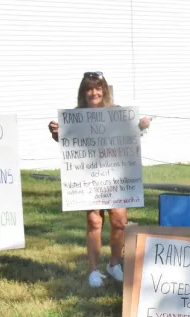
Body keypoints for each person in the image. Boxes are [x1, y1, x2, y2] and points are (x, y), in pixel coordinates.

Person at [47, 71, 151, 287]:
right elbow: (67, 142)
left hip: (116, 175)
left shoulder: (117, 113)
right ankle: (93, 271)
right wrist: (56, 133)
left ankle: (114, 265)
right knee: (94, 221)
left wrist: (141, 125)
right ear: (83, 93)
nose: (93, 92)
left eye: (97, 88)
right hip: (89, 176)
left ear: (103, 90)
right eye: (89, 89)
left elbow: (132, 134)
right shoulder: (75, 116)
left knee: (119, 221)